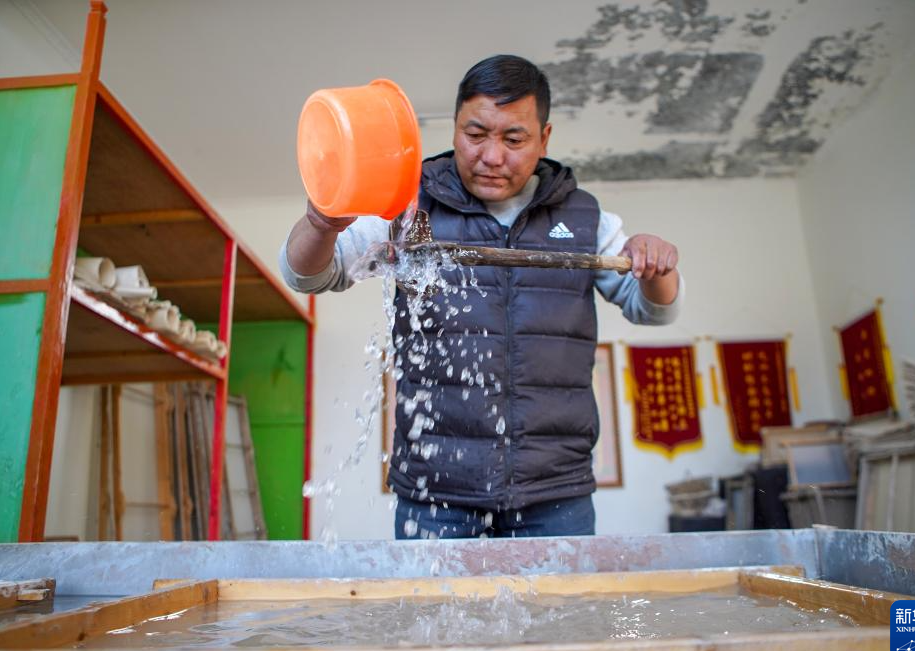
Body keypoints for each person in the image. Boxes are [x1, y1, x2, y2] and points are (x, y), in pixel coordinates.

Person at [281, 55, 683, 539]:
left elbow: (654, 310)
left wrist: (656, 265)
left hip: (557, 493)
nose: (492, 156)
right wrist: (321, 223)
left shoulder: (585, 218)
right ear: (455, 128)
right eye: (475, 134)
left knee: (561, 596)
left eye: (513, 140)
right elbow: (308, 276)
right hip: (435, 493)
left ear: (544, 138)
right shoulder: (406, 204)